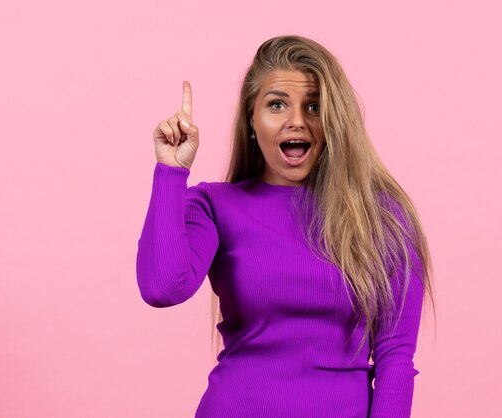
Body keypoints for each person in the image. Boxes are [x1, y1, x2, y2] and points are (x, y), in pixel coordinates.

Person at [136, 35, 435, 418]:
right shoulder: (215, 205)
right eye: (277, 104)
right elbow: (162, 287)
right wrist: (171, 171)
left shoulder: (382, 217)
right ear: (251, 118)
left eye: (314, 106)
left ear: (334, 121)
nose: (297, 120)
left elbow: (395, 358)